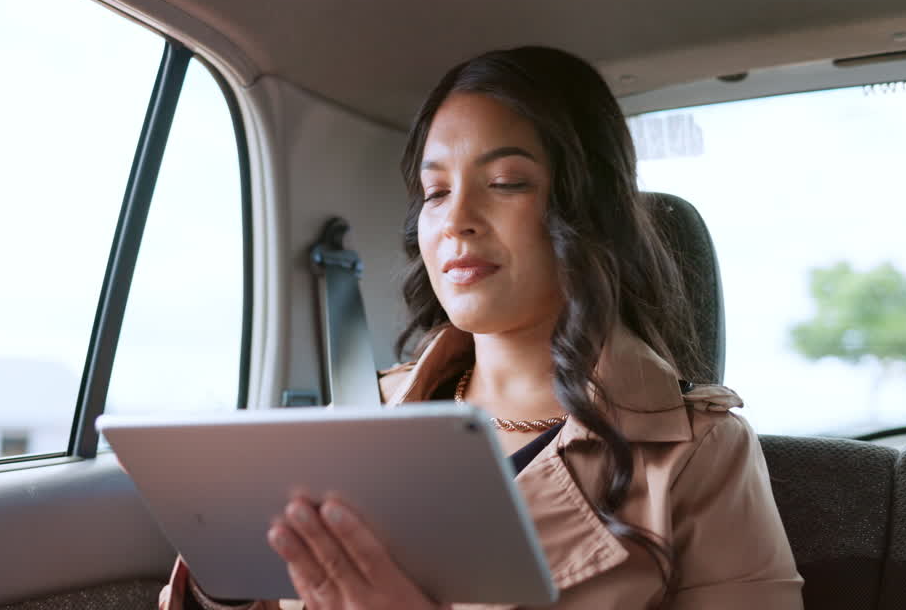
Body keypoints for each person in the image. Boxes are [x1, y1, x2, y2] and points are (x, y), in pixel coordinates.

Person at [159, 46, 803, 609]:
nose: (457, 218)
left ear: (589, 211)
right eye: (435, 192)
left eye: (505, 182)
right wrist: (228, 587)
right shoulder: (363, 409)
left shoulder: (698, 455)